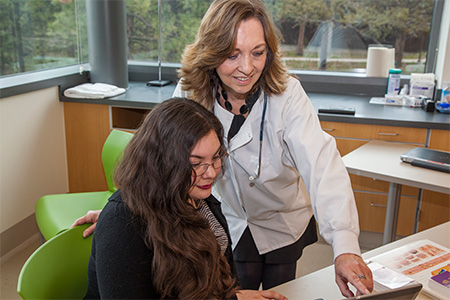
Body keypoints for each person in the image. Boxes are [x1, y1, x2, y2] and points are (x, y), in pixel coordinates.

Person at [74, 0, 373, 297]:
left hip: (281, 218)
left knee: (283, 291)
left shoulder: (288, 95)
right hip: (224, 216)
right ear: (211, 51)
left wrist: (345, 247)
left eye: (258, 53)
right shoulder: (191, 90)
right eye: (232, 55)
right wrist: (131, 215)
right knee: (228, 287)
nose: (247, 68)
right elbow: (161, 157)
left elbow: (322, 166)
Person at [81, 98, 287, 300]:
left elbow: (223, 280)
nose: (211, 173)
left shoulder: (201, 200)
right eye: (196, 163)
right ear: (161, 162)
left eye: (216, 157)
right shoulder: (122, 226)